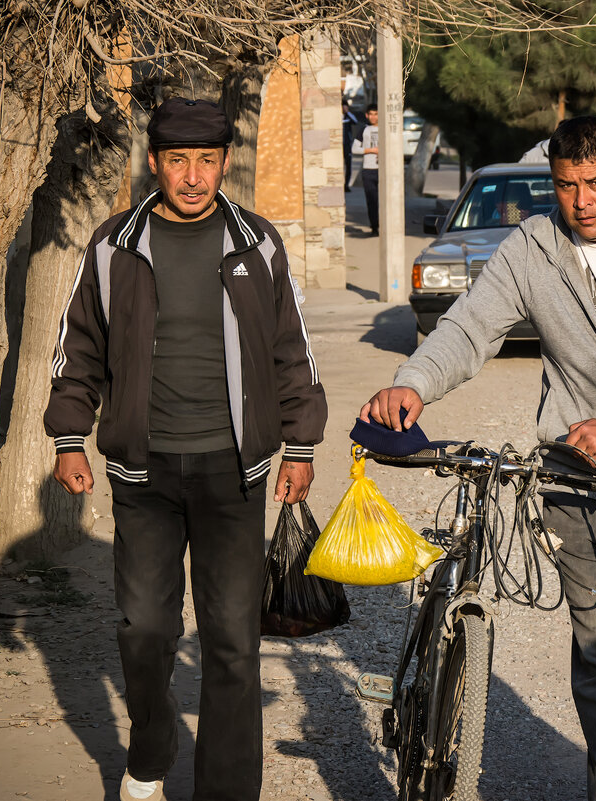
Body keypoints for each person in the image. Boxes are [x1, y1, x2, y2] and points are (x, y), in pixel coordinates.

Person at [360, 116, 596, 801]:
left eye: (595, 182)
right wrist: (413, 381)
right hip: (577, 484)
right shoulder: (533, 246)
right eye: (565, 186)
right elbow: (470, 326)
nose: (581, 200)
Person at [44, 96, 328, 801]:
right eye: (179, 161)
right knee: (144, 627)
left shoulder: (258, 244)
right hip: (143, 473)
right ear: (155, 163)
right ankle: (151, 745)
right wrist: (69, 436)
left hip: (235, 474)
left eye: (206, 161)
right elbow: (78, 348)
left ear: (225, 163)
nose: (194, 177)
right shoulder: (114, 247)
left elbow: (291, 347)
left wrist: (301, 443)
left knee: (233, 641)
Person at [352, 103, 380, 235]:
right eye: (371, 114)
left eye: (376, 114)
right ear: (367, 115)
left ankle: (385, 226)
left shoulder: (386, 129)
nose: (374, 117)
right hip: (368, 169)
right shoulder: (363, 130)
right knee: (372, 200)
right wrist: (371, 150)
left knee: (384, 201)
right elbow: (354, 148)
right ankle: (375, 227)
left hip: (383, 170)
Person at [342, 101, 361, 191]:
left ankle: (346, 185)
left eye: (346, 107)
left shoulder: (348, 117)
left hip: (347, 145)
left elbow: (355, 121)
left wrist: (347, 112)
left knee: (348, 165)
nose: (344, 109)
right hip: (339, 146)